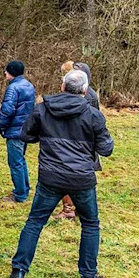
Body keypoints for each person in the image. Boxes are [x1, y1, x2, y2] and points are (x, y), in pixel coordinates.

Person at [5, 69, 114, 278]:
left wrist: (46, 137)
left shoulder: (42, 110)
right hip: (81, 177)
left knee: (35, 222)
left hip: (51, 176)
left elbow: (26, 134)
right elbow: (106, 148)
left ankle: (19, 270)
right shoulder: (93, 115)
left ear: (62, 86)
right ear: (85, 90)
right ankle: (88, 275)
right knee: (90, 224)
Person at [55, 60, 101, 219]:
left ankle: (69, 209)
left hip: (78, 142)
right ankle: (77, 209)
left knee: (71, 176)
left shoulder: (88, 96)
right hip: (83, 142)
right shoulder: (89, 94)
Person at [0, 60, 35, 203]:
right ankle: (24, 188)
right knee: (21, 160)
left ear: (11, 72)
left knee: (15, 163)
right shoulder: (29, 86)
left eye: (7, 71)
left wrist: (0, 126)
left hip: (15, 131)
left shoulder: (13, 88)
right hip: (26, 129)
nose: (5, 73)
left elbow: (7, 111)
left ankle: (20, 194)